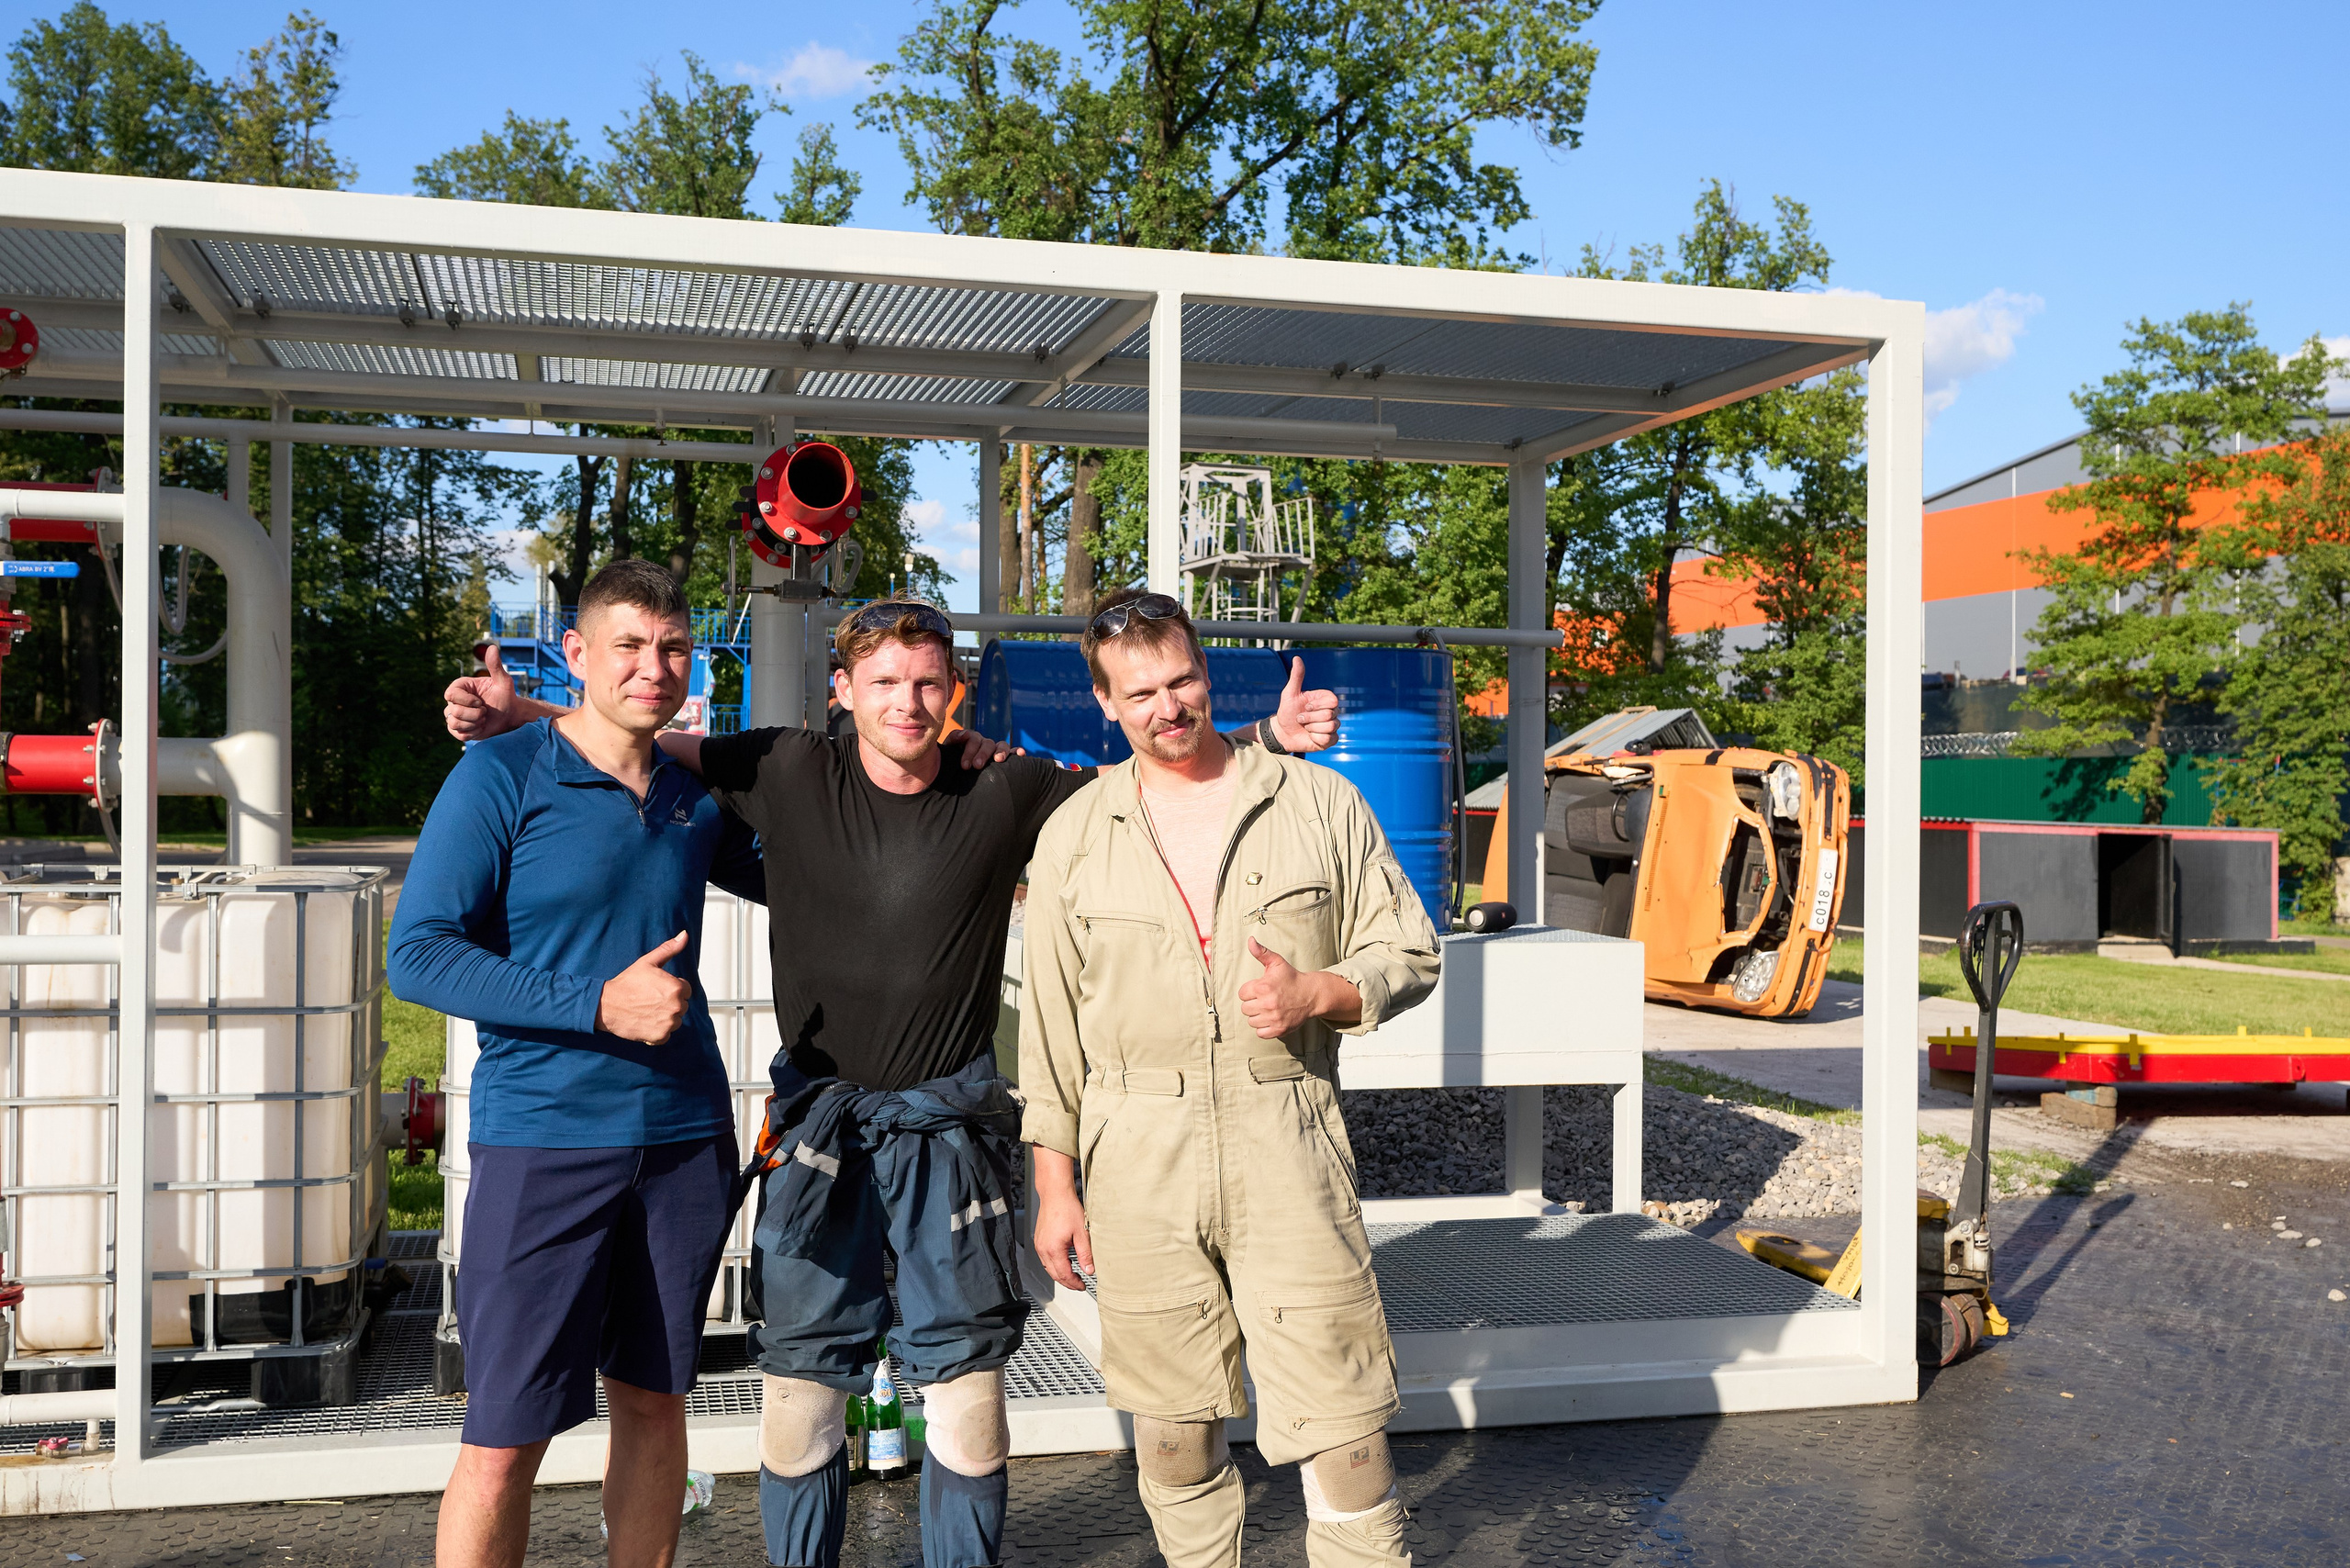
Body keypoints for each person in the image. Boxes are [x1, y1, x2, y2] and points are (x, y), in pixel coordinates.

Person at [440, 594, 1344, 1568]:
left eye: (927, 683)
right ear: (842, 689)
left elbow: (1141, 781)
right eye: (883, 682)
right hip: (818, 1134)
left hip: (950, 1131)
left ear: (954, 691)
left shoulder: (1005, 786)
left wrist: (1264, 738)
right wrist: (521, 713)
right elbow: (637, 730)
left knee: (968, 1397)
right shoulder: (786, 767)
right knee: (798, 1395)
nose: (906, 703)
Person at [1020, 588, 1441, 1568]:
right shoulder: (1074, 835)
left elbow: (1409, 950)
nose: (1167, 707)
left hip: (1286, 1139)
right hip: (1136, 1156)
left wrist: (1319, 992)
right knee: (1173, 1433)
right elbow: (1049, 1036)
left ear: (1207, 675)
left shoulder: (1318, 803)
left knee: (1346, 1436)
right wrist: (1055, 1189)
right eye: (1139, 694)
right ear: (1104, 703)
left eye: (1181, 682)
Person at [389, 560, 765, 1568]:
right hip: (544, 1140)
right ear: (576, 653)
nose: (654, 667)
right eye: (629, 645)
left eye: (674, 648)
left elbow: (828, 866)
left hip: (684, 1141)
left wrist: (950, 769)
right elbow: (416, 955)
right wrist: (595, 1002)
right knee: (505, 1435)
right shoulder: (502, 775)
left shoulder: (694, 799)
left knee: (654, 1402)